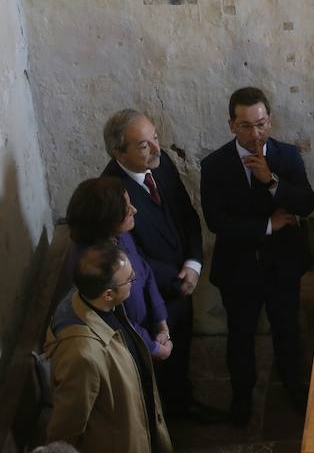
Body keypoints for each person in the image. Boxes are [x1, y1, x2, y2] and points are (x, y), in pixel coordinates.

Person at [201, 86, 314, 425]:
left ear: (270, 120)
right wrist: (267, 225)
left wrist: (272, 182)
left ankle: (293, 388)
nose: (255, 133)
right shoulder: (215, 165)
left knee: (286, 330)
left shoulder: (288, 156)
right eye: (246, 126)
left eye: (261, 124)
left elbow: (306, 203)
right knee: (240, 335)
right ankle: (241, 397)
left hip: (282, 264)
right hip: (239, 267)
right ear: (232, 125)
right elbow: (216, 220)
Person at [101, 109, 218, 423]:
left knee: (181, 353)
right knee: (157, 366)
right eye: (144, 145)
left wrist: (193, 263)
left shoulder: (161, 163)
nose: (156, 148)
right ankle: (161, 422)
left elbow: (186, 214)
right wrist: (176, 277)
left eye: (155, 138)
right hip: (148, 291)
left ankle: (183, 406)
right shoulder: (111, 191)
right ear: (118, 153)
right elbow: (127, 254)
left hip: (182, 281)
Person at [45, 241, 173, 452]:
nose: (134, 280)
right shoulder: (82, 354)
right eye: (130, 279)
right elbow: (67, 427)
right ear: (108, 294)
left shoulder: (102, 303)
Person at [65, 177, 172, 361]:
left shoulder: (119, 234)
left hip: (148, 329)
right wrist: (153, 347)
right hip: (130, 349)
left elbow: (143, 268)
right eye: (127, 210)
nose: (135, 210)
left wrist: (161, 320)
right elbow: (117, 321)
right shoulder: (93, 265)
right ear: (107, 219)